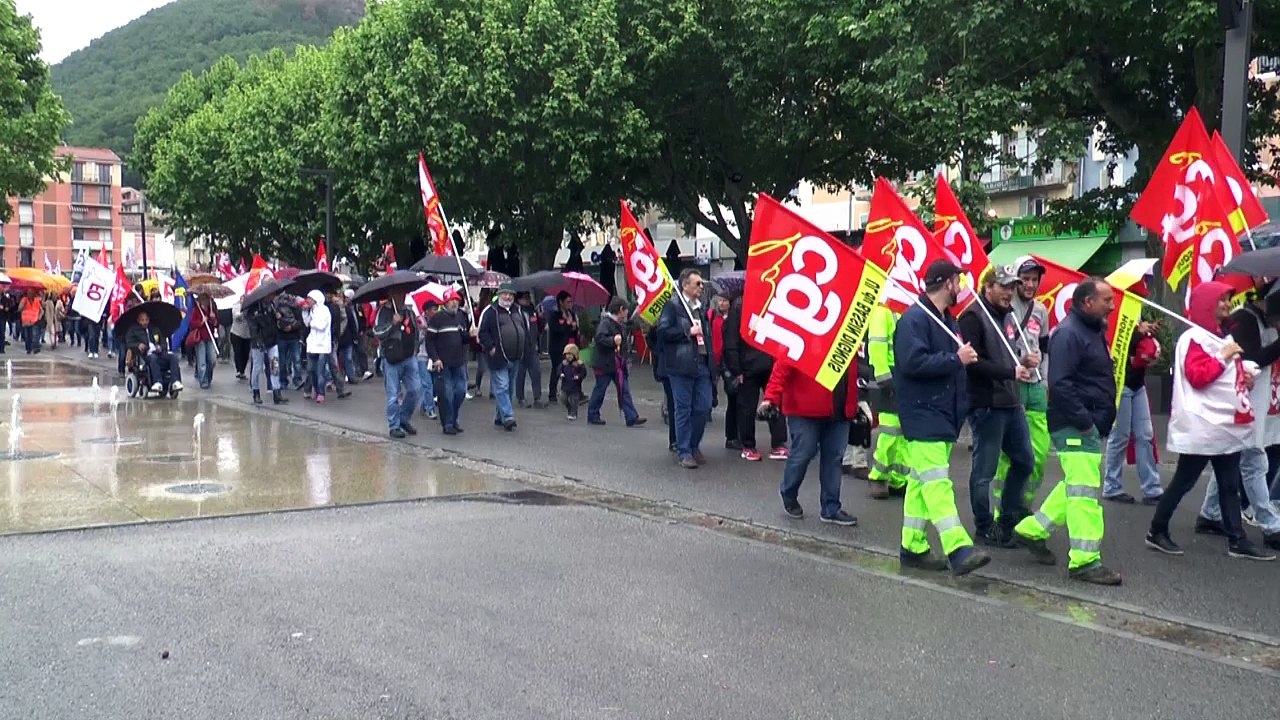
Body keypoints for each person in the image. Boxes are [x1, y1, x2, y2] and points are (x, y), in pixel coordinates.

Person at [1147, 281, 1275, 560]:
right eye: (1221, 301)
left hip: (1223, 427)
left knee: (1229, 484)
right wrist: (1223, 356)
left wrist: (1246, 374)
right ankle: (1157, 530)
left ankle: (1236, 539)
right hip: (1203, 426)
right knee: (1184, 481)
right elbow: (1198, 376)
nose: (1227, 305)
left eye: (1228, 300)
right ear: (1207, 304)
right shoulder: (1194, 339)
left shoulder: (1221, 337)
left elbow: (1229, 374)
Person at [1013, 278, 1122, 585]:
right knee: (1085, 490)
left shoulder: (1088, 330)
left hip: (1082, 422)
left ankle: (1032, 530)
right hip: (1075, 424)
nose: (1112, 305)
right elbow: (1060, 384)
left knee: (1077, 484)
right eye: (1106, 300)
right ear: (1087, 302)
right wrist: (1086, 422)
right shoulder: (1069, 334)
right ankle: (1085, 560)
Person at [894, 260, 989, 576]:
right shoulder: (915, 319)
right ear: (948, 283)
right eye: (958, 279)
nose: (962, 285)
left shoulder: (946, 319)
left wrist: (959, 361)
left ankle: (913, 546)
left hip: (940, 413)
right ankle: (958, 548)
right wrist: (955, 358)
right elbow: (911, 362)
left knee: (921, 483)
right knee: (937, 484)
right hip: (925, 413)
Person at [956, 265, 1037, 547]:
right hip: (987, 404)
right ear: (987, 287)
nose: (1009, 292)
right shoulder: (972, 317)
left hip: (1011, 402)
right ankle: (983, 525)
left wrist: (1023, 363)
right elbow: (973, 364)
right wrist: (1010, 372)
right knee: (985, 471)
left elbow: (1007, 356)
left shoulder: (1008, 316)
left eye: (1012, 287)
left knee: (1025, 461)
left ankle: (1008, 517)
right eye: (1004, 286)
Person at [1195, 285, 1280, 550]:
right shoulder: (1245, 319)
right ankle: (1270, 525)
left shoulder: (1262, 320)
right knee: (1254, 461)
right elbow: (1251, 359)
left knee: (1232, 459)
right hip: (1245, 403)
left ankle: (1210, 514)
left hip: (1257, 403)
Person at [759, 352, 859, 527]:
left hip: (839, 407)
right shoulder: (806, 327)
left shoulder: (846, 329)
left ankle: (831, 508)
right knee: (804, 453)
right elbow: (783, 364)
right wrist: (771, 398)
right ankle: (789, 492)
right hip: (804, 408)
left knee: (833, 458)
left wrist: (856, 401)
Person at [994, 256, 1052, 519]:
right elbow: (999, 351)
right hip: (1014, 386)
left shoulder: (1041, 310)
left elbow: (1045, 350)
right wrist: (1020, 362)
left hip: (1037, 388)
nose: (1030, 285)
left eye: (1034, 280)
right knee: (1010, 455)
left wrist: (1046, 382)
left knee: (1038, 455)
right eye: (1025, 279)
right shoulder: (1006, 308)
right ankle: (1002, 509)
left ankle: (1022, 506)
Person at [658, 269, 713, 469]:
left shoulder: (702, 307)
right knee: (683, 409)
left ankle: (693, 444)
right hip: (681, 365)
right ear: (685, 285)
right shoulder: (672, 306)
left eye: (701, 283)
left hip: (701, 362)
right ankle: (684, 451)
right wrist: (686, 332)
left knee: (704, 406)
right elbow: (663, 332)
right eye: (697, 283)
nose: (701, 287)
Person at [1103, 322, 1164, 504]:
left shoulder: (1137, 318)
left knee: (1145, 435)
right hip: (1121, 384)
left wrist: (1149, 334)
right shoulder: (1113, 318)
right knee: (1120, 435)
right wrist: (1138, 334)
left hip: (1138, 383)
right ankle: (1111, 486)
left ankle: (1152, 488)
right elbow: (1117, 349)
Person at [722, 295, 787, 461]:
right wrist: (736, 369)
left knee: (775, 403)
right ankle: (748, 445)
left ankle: (779, 443)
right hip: (748, 366)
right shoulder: (740, 305)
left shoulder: (775, 301)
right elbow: (731, 340)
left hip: (770, 362)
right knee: (747, 408)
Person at [866, 305, 907, 498]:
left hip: (905, 375)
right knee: (890, 433)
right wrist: (884, 378)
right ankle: (879, 476)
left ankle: (899, 478)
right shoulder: (882, 311)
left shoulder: (906, 308)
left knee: (905, 434)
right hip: (889, 377)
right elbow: (877, 344)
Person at [587, 298, 646, 427]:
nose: (626, 314)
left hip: (617, 364)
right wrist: (613, 340)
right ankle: (592, 414)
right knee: (600, 389)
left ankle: (631, 417)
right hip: (605, 364)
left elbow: (631, 325)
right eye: (625, 311)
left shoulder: (619, 324)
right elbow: (600, 339)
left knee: (624, 389)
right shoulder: (605, 323)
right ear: (620, 310)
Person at [477, 283, 528, 431]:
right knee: (502, 386)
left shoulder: (518, 310)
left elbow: (525, 329)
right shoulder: (491, 312)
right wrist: (491, 347)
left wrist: (527, 347)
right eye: (505, 294)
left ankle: (499, 417)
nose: (508, 297)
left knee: (509, 388)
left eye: (510, 294)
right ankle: (508, 416)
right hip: (498, 356)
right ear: (499, 295)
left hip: (516, 356)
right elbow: (483, 333)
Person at [374, 291, 420, 439]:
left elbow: (415, 331)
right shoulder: (383, 312)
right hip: (392, 358)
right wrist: (392, 324)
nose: (401, 297)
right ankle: (394, 425)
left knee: (415, 390)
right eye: (398, 295)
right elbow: (378, 332)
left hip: (409, 357)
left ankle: (404, 418)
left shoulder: (409, 311)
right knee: (393, 395)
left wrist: (415, 349)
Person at [424, 290, 471, 435]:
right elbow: (429, 341)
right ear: (445, 302)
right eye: (452, 300)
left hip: (459, 361)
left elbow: (464, 338)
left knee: (461, 391)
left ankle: (454, 418)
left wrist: (470, 335)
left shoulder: (461, 317)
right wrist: (435, 358)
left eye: (456, 300)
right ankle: (448, 423)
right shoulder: (436, 318)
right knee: (447, 394)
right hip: (443, 363)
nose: (455, 303)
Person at [124, 311, 182, 394]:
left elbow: (163, 343)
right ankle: (157, 382)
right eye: (142, 320)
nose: (144, 322)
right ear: (138, 320)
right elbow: (129, 343)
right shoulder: (133, 331)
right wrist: (138, 345)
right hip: (144, 355)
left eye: (146, 320)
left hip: (159, 353)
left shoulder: (155, 329)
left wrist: (160, 347)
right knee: (153, 358)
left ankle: (175, 381)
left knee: (173, 357)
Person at [245, 296, 285, 405]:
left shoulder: (272, 306)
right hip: (259, 342)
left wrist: (278, 317)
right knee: (257, 368)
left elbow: (274, 324)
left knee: (275, 366)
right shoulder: (253, 309)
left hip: (272, 340)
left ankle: (277, 392)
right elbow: (253, 328)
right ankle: (256, 392)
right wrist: (258, 341)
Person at [513, 291, 545, 409]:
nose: (528, 300)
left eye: (528, 298)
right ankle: (520, 397)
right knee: (520, 374)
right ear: (519, 299)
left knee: (536, 372)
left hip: (532, 347)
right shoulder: (515, 311)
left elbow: (539, 328)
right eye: (525, 298)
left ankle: (537, 397)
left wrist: (541, 319)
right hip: (520, 348)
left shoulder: (533, 311)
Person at [547, 291, 579, 403]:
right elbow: (556, 330)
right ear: (561, 302)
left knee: (572, 370)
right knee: (557, 369)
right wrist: (567, 324)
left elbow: (573, 331)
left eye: (571, 302)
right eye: (567, 302)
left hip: (570, 346)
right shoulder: (555, 315)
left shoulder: (572, 313)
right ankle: (552, 393)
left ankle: (573, 392)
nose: (570, 304)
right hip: (557, 347)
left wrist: (574, 327)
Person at [304, 289, 332, 404]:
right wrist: (305, 313)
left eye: (309, 299)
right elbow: (306, 323)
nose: (308, 301)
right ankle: (315, 388)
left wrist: (312, 322)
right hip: (312, 345)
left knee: (320, 371)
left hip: (322, 345)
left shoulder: (324, 310)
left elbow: (321, 325)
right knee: (311, 370)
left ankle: (321, 393)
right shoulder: (312, 311)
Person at [187, 294, 220, 390]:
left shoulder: (212, 309)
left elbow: (217, 324)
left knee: (212, 359)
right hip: (200, 338)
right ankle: (203, 381)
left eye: (206, 299)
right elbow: (192, 324)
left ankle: (208, 377)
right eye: (203, 299)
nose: (205, 301)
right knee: (202, 361)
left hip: (210, 337)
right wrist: (201, 322)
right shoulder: (196, 310)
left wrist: (213, 319)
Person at [275, 293, 306, 390]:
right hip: (286, 337)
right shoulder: (277, 307)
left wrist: (290, 327)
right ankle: (294, 380)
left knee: (287, 361)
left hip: (289, 337)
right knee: (290, 361)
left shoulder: (293, 308)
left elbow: (300, 322)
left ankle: (287, 381)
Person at [416, 299, 440, 419]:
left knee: (435, 384)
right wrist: (423, 333)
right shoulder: (419, 322)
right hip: (422, 356)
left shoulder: (438, 323)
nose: (436, 312)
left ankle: (423, 405)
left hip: (435, 357)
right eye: (434, 310)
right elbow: (416, 341)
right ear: (427, 311)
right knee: (427, 384)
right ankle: (430, 409)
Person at [559, 343, 587, 420]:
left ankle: (573, 413)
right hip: (565, 386)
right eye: (567, 354)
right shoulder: (564, 363)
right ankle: (569, 409)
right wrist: (561, 374)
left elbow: (584, 372)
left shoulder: (579, 364)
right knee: (563, 398)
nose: (569, 356)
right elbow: (558, 370)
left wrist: (578, 376)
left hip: (575, 387)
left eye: (571, 354)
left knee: (573, 401)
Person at [230, 308, 251, 379]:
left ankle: (243, 369)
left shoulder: (252, 306)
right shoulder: (237, 305)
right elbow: (236, 316)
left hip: (247, 334)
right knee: (238, 351)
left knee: (246, 353)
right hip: (236, 333)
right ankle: (239, 370)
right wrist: (243, 313)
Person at [19, 290, 41, 354]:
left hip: (34, 321)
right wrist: (23, 305)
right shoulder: (24, 300)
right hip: (26, 321)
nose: (30, 294)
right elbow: (19, 308)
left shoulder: (36, 300)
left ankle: (32, 348)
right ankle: (28, 348)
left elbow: (41, 310)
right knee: (27, 335)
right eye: (29, 293)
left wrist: (38, 318)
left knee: (33, 335)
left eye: (31, 293)